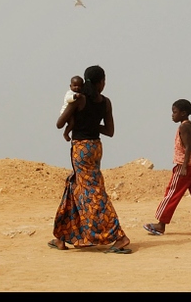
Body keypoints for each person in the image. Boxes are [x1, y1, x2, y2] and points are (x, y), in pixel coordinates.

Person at [48, 65, 131, 254]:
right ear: (100, 82)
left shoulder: (79, 100)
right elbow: (109, 131)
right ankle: (61, 237)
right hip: (95, 148)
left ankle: (120, 237)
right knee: (74, 186)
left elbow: (59, 123)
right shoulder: (105, 102)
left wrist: (76, 118)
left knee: (94, 193)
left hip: (81, 150)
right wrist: (93, 124)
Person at [143, 99, 191, 239]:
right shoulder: (189, 125)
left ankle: (160, 225)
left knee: (172, 194)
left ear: (183, 113)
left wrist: (184, 166)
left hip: (186, 167)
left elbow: (189, 147)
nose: (172, 115)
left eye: (175, 112)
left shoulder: (184, 127)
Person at [60, 75, 84, 142]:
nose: (77, 87)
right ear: (70, 86)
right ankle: (66, 133)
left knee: (73, 123)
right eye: (75, 85)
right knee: (72, 123)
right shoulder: (70, 93)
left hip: (72, 113)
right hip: (66, 112)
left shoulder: (80, 94)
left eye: (79, 86)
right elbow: (68, 99)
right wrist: (74, 96)